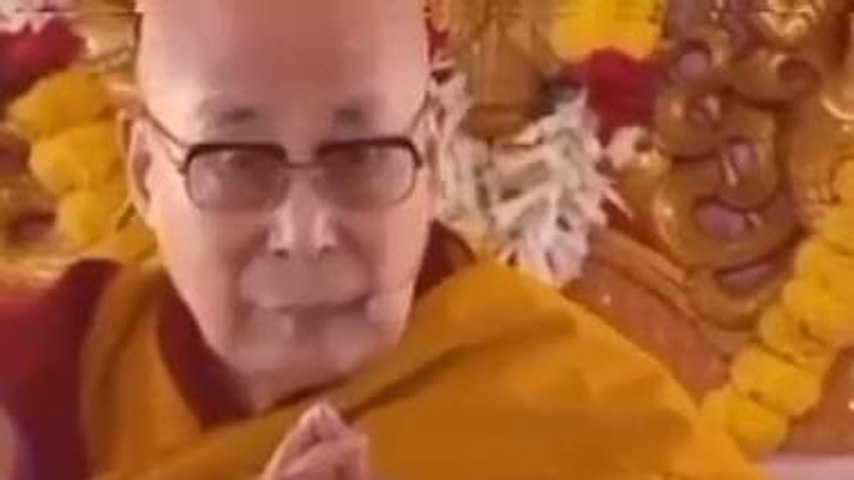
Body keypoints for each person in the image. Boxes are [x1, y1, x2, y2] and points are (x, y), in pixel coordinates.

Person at [0, 0, 762, 478]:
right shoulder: (47, 390)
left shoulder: (609, 438)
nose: (305, 233)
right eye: (236, 160)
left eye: (360, 156)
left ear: (430, 155)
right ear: (144, 173)